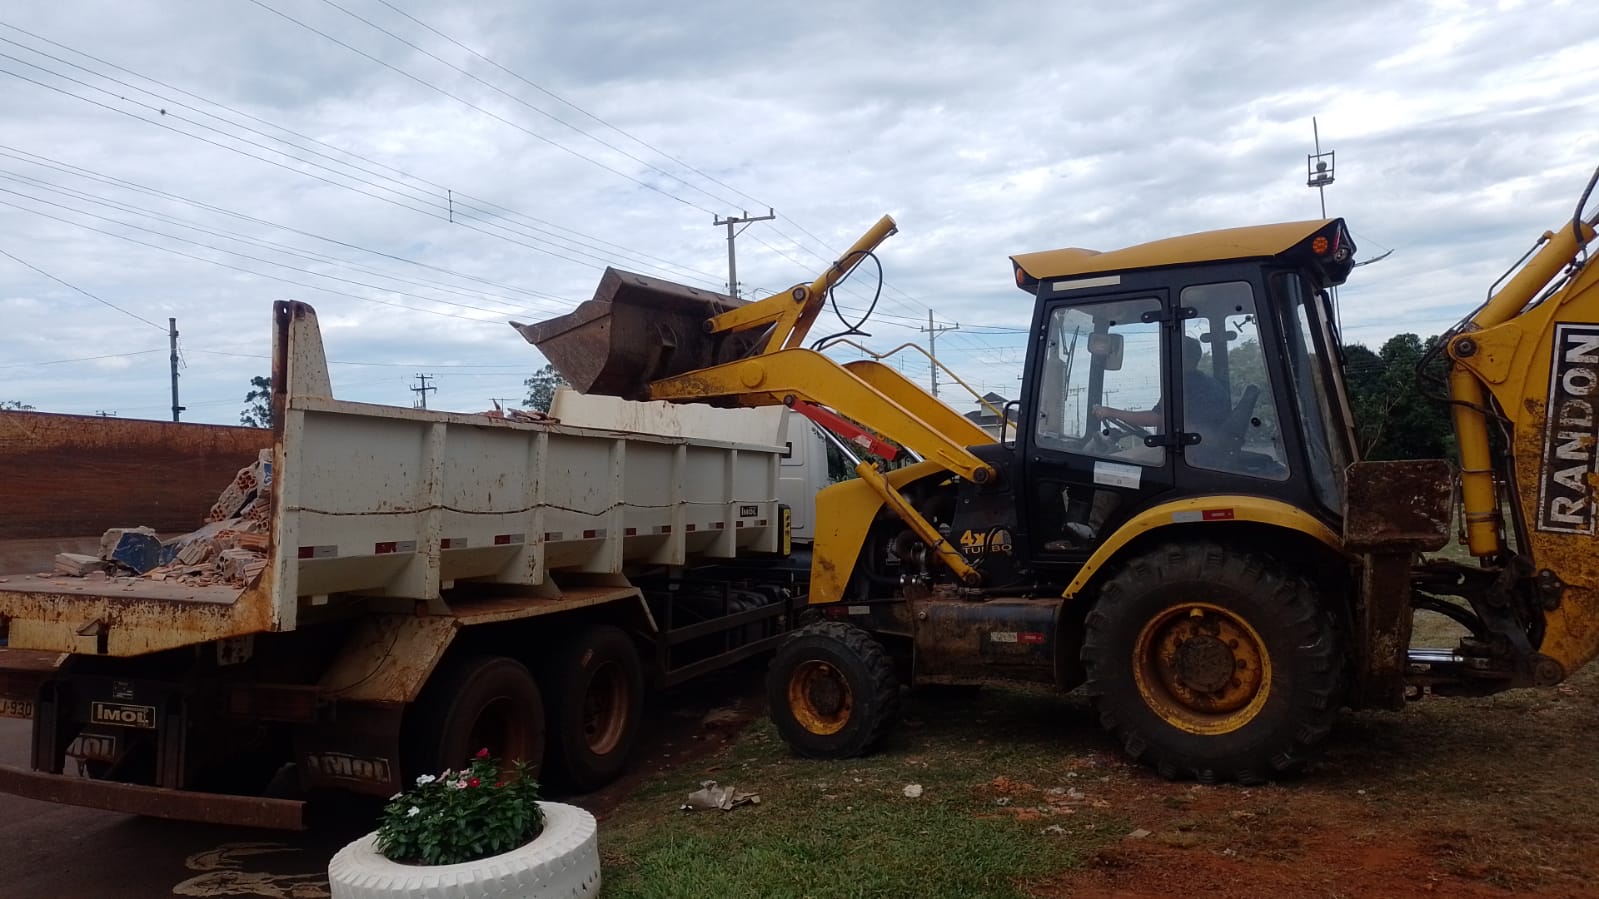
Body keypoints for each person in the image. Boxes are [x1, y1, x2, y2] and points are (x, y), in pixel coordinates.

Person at [1092, 335, 1229, 433]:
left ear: (1179, 356)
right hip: (1200, 447)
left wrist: (1110, 412)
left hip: (1192, 451)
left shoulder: (1185, 384)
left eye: (1168, 354)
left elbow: (1156, 418)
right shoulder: (1207, 382)